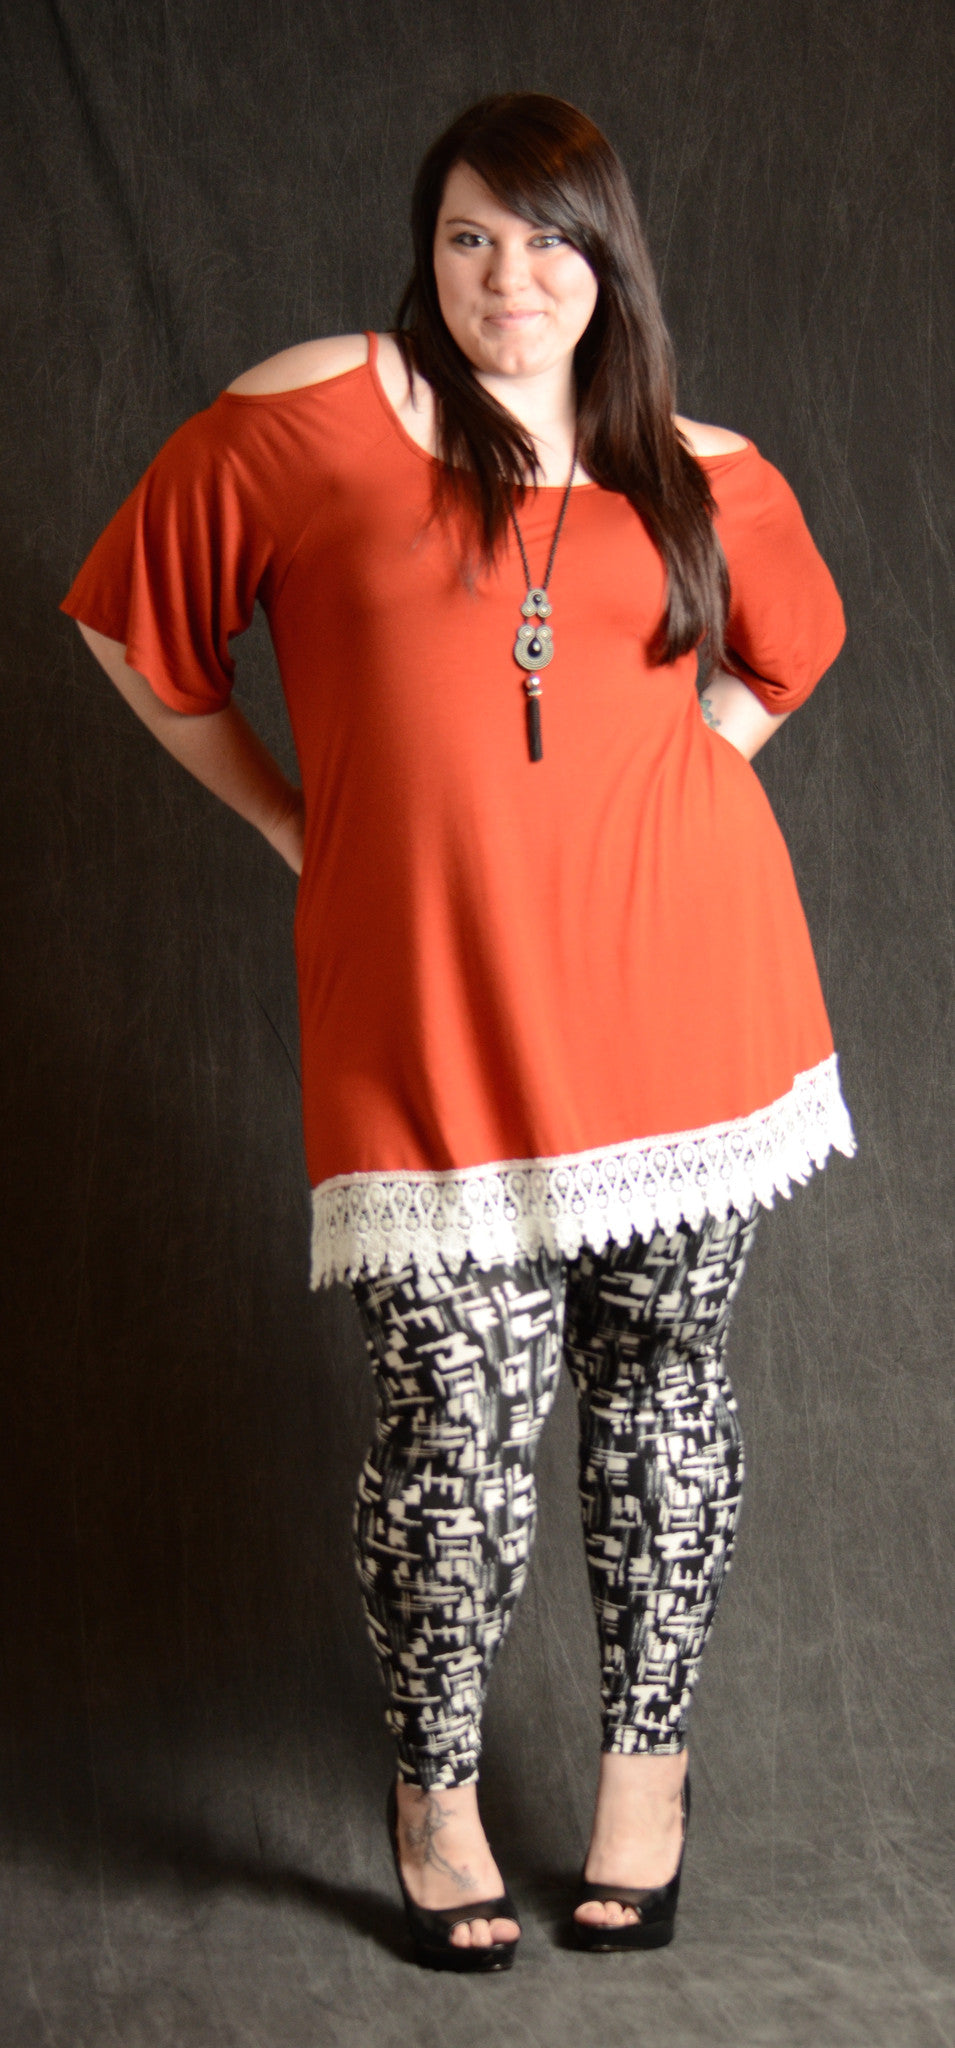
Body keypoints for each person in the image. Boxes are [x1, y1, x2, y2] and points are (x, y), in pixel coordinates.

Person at [62, 92, 854, 1971]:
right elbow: (132, 627)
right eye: (473, 235)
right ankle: (434, 1796)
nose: (514, 275)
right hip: (428, 1017)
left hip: (688, 1009)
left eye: (552, 238)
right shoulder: (315, 415)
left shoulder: (697, 465)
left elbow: (792, 646)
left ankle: (648, 1787)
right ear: (427, 251)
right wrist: (293, 819)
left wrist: (674, 799)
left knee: (665, 1386)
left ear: (611, 260)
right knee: (452, 1425)